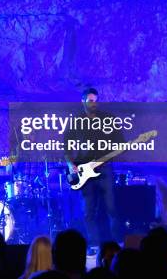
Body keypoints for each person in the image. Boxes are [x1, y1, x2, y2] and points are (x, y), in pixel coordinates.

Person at [63, 88, 123, 252]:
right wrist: (70, 165)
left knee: (111, 207)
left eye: (95, 100)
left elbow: (120, 143)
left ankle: (117, 243)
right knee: (88, 210)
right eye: (90, 100)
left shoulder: (107, 119)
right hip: (84, 171)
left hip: (105, 169)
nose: (93, 103)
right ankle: (94, 244)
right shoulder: (76, 121)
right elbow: (66, 147)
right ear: (83, 101)